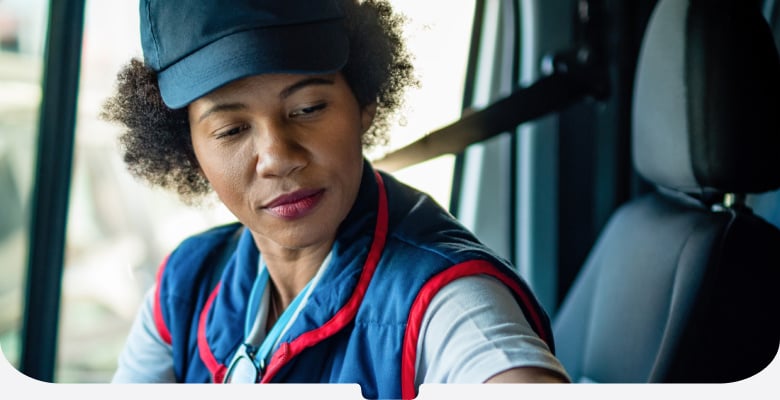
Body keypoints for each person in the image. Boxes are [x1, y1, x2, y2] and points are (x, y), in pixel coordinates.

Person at [102, 0, 570, 397]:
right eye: (231, 130)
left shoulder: (445, 300)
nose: (277, 157)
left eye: (308, 109)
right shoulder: (184, 286)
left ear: (363, 101)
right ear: (189, 148)